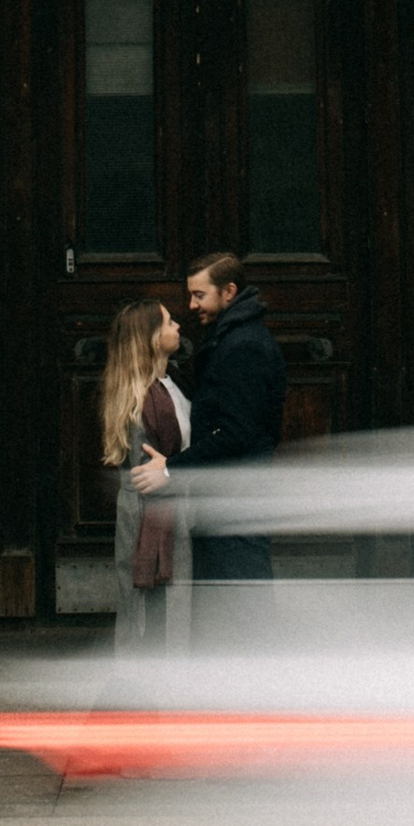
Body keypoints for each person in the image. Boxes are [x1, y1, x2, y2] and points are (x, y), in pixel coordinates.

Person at [130, 249, 282, 585]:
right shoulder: (231, 337)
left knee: (241, 597)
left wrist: (170, 468)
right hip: (232, 493)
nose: (192, 305)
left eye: (200, 295)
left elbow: (235, 432)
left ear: (228, 291)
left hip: (238, 497)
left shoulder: (242, 345)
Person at [101, 294, 191, 646]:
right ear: (153, 337)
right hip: (151, 510)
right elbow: (144, 471)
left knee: (169, 605)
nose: (178, 326)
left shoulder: (174, 384)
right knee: (148, 608)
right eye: (169, 321)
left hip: (174, 504)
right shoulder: (139, 399)